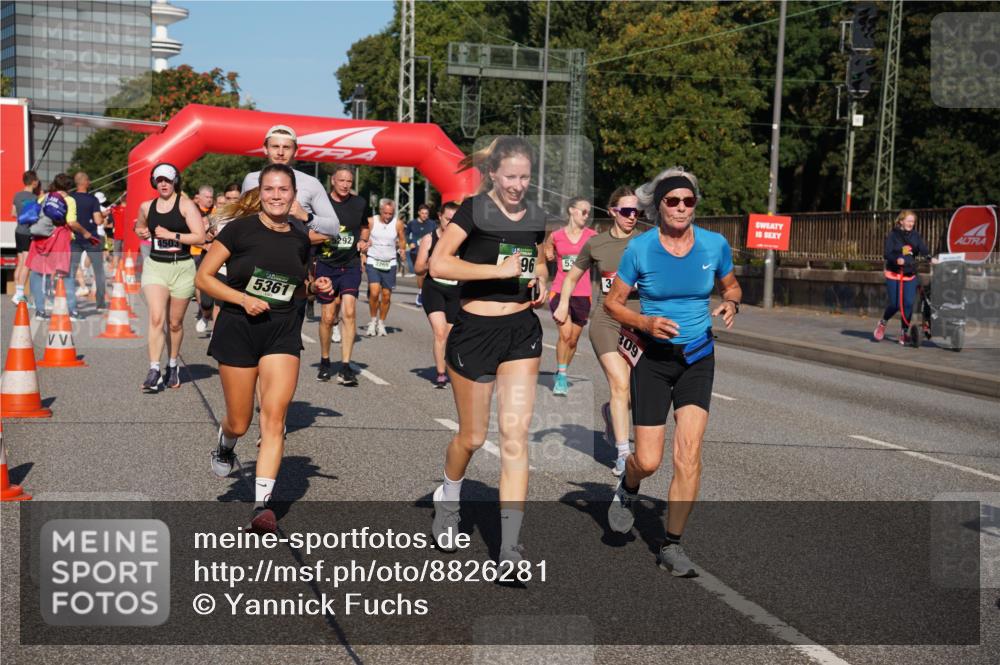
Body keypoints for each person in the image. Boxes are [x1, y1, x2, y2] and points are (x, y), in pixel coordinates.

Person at [605, 167, 741, 578]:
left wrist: (732, 302)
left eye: (688, 201)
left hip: (698, 358)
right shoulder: (641, 249)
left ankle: (672, 545)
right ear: (659, 206)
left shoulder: (714, 245)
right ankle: (628, 488)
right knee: (647, 460)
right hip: (654, 360)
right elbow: (613, 303)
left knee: (689, 456)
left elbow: (732, 285)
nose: (681, 208)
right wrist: (644, 323)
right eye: (672, 201)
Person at [428, 136, 548, 568]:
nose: (518, 185)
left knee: (515, 439)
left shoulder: (535, 215)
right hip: (475, 330)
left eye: (525, 177)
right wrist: (494, 271)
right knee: (474, 437)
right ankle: (449, 497)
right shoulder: (473, 210)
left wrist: (541, 282)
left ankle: (510, 547)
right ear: (494, 174)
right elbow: (439, 264)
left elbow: (537, 257)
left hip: (521, 331)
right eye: (511, 176)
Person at [196, 164, 333, 533]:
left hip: (282, 332)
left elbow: (297, 286)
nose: (277, 196)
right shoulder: (239, 229)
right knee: (240, 420)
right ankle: (225, 443)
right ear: (260, 192)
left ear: (293, 194)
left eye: (283, 190)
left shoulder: (301, 236)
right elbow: (204, 278)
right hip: (239, 329)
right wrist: (242, 299)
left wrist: (316, 287)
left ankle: (262, 506)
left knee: (274, 417)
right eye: (270, 189)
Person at [554, 187, 641, 476]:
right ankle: (622, 453)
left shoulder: (648, 242)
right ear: (613, 211)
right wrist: (563, 303)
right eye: (627, 211)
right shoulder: (596, 244)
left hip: (640, 322)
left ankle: (609, 413)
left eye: (636, 211)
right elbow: (571, 277)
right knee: (620, 384)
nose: (632, 216)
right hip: (606, 320)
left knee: (634, 392)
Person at [133, 163, 206, 392]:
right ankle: (154, 369)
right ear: (154, 182)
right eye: (159, 180)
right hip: (156, 267)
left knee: (174, 323)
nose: (163, 184)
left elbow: (200, 237)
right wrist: (141, 232)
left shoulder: (186, 206)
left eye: (167, 179)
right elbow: (140, 226)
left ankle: (172, 364)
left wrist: (172, 235)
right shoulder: (147, 206)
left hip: (182, 268)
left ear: (175, 181)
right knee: (156, 318)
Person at [314, 166, 370, 385]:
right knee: (328, 317)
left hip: (351, 264)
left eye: (349, 181)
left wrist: (364, 241)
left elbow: (365, 227)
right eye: (342, 181)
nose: (346, 185)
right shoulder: (322, 203)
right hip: (327, 264)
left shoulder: (359, 203)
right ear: (333, 181)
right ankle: (325, 360)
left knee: (349, 311)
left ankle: (346, 366)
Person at [241, 125, 340, 237]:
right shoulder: (251, 180)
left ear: (296, 151)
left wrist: (306, 216)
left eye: (286, 147)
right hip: (254, 250)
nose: (280, 152)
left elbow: (335, 227)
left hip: (294, 251)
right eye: (275, 146)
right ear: (265, 149)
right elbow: (239, 218)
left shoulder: (311, 183)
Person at [544, 196, 597, 396]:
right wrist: (549, 253)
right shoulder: (557, 235)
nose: (587, 215)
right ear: (571, 211)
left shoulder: (592, 236)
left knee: (573, 340)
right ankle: (562, 377)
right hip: (559, 290)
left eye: (588, 212)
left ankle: (562, 368)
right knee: (564, 335)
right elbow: (547, 246)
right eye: (583, 211)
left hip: (583, 294)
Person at [26, 174, 87, 320]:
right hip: (60, 239)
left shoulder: (44, 197)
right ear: (69, 186)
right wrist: (85, 233)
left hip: (41, 239)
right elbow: (71, 222)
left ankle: (40, 311)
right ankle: (72, 311)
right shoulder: (69, 200)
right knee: (66, 274)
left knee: (37, 274)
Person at [414, 201, 461, 388]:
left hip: (456, 290)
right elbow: (418, 268)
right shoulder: (429, 238)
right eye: (447, 219)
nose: (450, 224)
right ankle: (441, 373)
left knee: (450, 336)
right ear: (440, 217)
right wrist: (431, 263)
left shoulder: (464, 240)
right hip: (434, 288)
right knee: (440, 332)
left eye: (454, 220)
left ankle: (450, 368)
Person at [873, 209, 930, 345]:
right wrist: (897, 259)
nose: (912, 223)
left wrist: (929, 257)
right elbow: (887, 254)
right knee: (895, 304)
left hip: (910, 274)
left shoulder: (915, 235)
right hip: (894, 273)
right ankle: (883, 322)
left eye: (913, 221)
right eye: (909, 221)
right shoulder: (893, 235)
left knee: (908, 304)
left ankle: (904, 333)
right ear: (901, 221)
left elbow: (922, 248)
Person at [65, 172, 106, 318]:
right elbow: (98, 221)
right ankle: (100, 303)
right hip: (91, 239)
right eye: (89, 180)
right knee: (98, 270)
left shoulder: (70, 199)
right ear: (85, 182)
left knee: (70, 271)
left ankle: (70, 303)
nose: (90, 182)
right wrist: (103, 216)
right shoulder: (93, 199)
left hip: (75, 238)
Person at [364, 198, 406, 337]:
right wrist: (363, 251)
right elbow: (364, 237)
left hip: (390, 261)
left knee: (386, 296)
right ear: (380, 211)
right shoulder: (371, 221)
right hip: (373, 260)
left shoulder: (398, 223)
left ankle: (381, 323)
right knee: (375, 292)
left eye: (391, 214)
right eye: (385, 213)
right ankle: (372, 321)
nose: (388, 216)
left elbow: (402, 239)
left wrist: (402, 251)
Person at [11, 170, 41, 305]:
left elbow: (13, 213)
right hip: (28, 232)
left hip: (18, 231)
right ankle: (19, 293)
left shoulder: (17, 195)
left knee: (20, 261)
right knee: (27, 264)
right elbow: (35, 218)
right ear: (34, 182)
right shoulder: (34, 198)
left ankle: (17, 295)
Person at [406, 203, 436, 305]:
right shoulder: (412, 223)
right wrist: (410, 242)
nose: (424, 215)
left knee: (429, 274)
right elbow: (406, 234)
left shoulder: (432, 224)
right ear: (419, 213)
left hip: (429, 252)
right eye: (422, 213)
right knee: (420, 273)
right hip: (416, 252)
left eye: (426, 213)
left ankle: (426, 293)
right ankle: (421, 292)